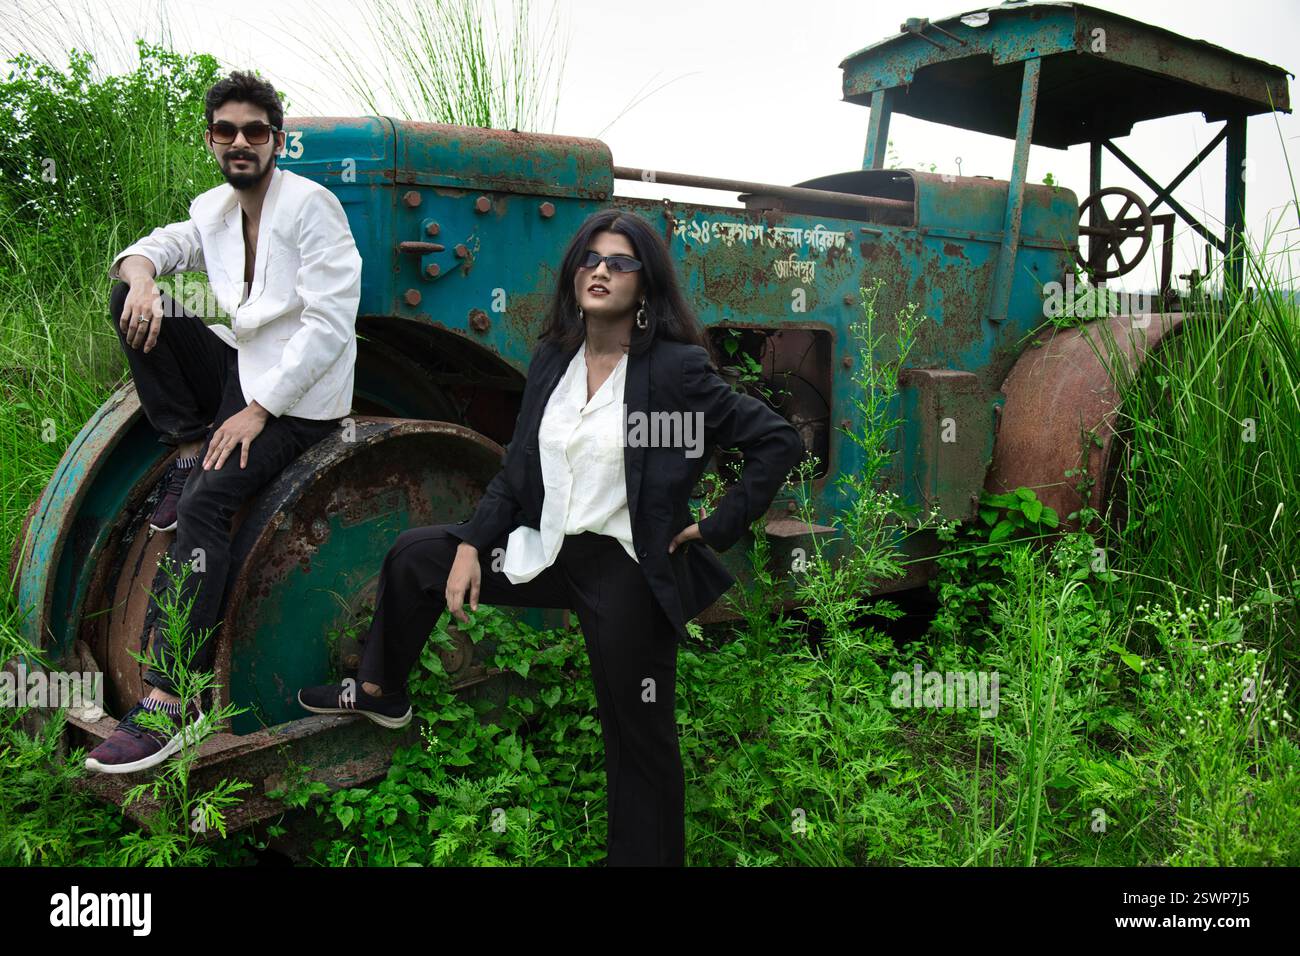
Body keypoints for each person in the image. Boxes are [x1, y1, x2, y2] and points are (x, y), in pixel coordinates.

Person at [298, 208, 803, 865]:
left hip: (623, 566)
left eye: (620, 263)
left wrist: (717, 523)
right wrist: (474, 546)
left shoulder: (674, 369)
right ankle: (379, 691)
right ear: (573, 275)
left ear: (644, 285)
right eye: (590, 259)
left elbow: (776, 440)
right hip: (550, 549)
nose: (601, 270)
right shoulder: (553, 358)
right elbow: (516, 470)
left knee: (636, 735)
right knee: (418, 555)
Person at [86, 71, 363, 774]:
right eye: (226, 131)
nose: (241, 142)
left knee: (209, 501)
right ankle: (185, 444)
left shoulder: (313, 207)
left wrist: (257, 412)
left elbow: (331, 324)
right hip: (241, 374)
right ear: (210, 138)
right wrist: (144, 277)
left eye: (256, 131)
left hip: (299, 402)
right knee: (131, 295)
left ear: (276, 138)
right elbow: (151, 248)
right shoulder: (213, 207)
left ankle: (171, 699)